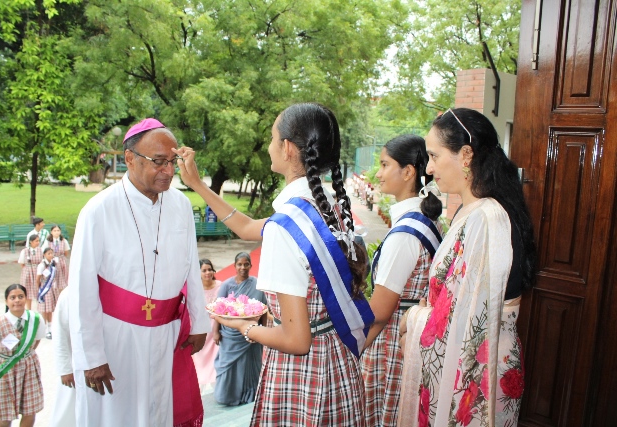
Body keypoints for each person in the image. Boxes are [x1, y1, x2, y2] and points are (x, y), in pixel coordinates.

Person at [176, 102, 374, 426]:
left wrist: (245, 327)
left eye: (272, 138)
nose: (268, 146)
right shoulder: (324, 206)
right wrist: (198, 184)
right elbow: (247, 227)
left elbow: (296, 340)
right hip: (337, 361)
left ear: (287, 148)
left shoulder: (289, 226)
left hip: (303, 378)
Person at [398, 108, 536, 427]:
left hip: (482, 374)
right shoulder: (470, 211)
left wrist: (413, 318)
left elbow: (468, 320)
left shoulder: (486, 220)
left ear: (466, 154)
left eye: (434, 155)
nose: (429, 168)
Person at [68, 118, 210, 427]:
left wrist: (199, 321)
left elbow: (190, 267)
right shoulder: (98, 210)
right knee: (117, 416)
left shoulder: (181, 205)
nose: (169, 171)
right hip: (116, 338)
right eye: (159, 162)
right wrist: (91, 357)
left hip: (167, 334)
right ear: (130, 158)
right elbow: (81, 288)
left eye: (173, 162)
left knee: (161, 413)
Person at [360, 135, 443, 427]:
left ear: (408, 172)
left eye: (385, 165)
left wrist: (351, 349)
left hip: (392, 348)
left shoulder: (405, 234)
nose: (379, 173)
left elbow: (380, 313)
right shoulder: (425, 220)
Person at [0, 284, 46, 427]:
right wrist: (6, 358)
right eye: (12, 297)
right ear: (6, 301)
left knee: (30, 409)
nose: (17, 300)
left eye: (20, 296)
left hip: (29, 368)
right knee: (4, 412)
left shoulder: (36, 319)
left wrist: (24, 355)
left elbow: (36, 340)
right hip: (5, 370)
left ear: (25, 298)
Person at [213, 252, 266, 406]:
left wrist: (262, 331)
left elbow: (263, 309)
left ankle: (249, 395)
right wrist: (216, 332)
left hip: (252, 334)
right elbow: (218, 310)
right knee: (228, 366)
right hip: (230, 334)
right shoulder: (226, 285)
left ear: (251, 265)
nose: (243, 267)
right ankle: (227, 396)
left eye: (246, 264)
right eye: (239, 264)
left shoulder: (257, 284)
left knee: (250, 365)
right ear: (235, 266)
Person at [191, 259, 222, 392]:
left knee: (216, 355)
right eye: (204, 270)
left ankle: (216, 381)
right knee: (200, 357)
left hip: (216, 325)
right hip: (202, 326)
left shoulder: (220, 286)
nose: (208, 272)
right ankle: (201, 381)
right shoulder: (195, 289)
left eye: (210, 269)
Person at [50, 285, 76, 427]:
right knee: (68, 411)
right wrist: (65, 369)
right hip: (75, 365)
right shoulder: (68, 294)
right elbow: (60, 334)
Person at [36, 247, 59, 339]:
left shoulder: (53, 264)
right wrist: (38, 290)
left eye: (52, 253)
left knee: (50, 310)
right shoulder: (42, 265)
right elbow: (38, 279)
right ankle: (44, 329)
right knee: (44, 310)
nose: (51, 255)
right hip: (44, 288)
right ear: (44, 255)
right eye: (49, 253)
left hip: (52, 288)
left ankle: (50, 328)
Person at [42, 225, 70, 293]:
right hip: (52, 261)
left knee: (62, 279)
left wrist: (61, 258)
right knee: (53, 278)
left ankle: (62, 293)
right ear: (51, 232)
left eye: (58, 231)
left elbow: (66, 252)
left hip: (61, 260)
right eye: (55, 231)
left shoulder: (63, 241)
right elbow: (44, 252)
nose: (56, 232)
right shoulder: (48, 241)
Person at [18, 234, 42, 310]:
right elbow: (21, 263)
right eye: (36, 241)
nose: (38, 242)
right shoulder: (24, 251)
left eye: (38, 241)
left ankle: (40, 308)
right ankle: (29, 309)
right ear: (31, 242)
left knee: (38, 290)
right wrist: (28, 269)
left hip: (38, 271)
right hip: (28, 272)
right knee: (28, 291)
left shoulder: (40, 250)